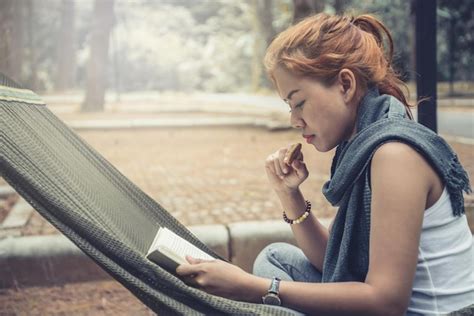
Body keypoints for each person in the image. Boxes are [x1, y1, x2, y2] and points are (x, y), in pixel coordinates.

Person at [176, 13, 473, 315]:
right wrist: (289, 195)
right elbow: (334, 260)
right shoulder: (363, 142)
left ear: (345, 84)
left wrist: (254, 287)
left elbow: (386, 303)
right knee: (276, 258)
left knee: (268, 282)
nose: (294, 119)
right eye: (289, 106)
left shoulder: (394, 154)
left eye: (299, 102)